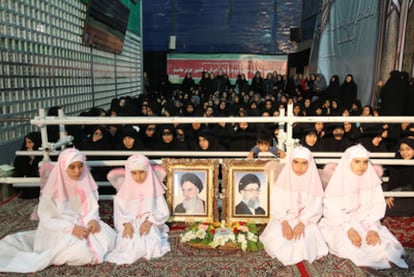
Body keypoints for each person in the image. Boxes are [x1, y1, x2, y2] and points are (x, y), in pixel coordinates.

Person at [0, 148, 116, 273]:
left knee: (108, 239)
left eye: (80, 166)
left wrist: (93, 220)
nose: (77, 171)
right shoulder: (52, 191)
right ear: (63, 167)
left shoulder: (85, 181)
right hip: (60, 228)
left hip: (85, 224)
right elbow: (47, 219)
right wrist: (71, 228)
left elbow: (91, 207)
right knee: (81, 253)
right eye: (72, 167)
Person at [318, 144, 408, 269]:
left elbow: (376, 206)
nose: (362, 166)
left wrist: (373, 229)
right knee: (351, 247)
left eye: (365, 162)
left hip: (365, 221)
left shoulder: (371, 180)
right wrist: (349, 230)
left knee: (382, 245)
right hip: (341, 222)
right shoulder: (338, 181)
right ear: (349, 162)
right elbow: (331, 210)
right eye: (357, 162)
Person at [260, 146, 328, 265]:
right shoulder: (284, 180)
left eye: (304, 163)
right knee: (280, 241)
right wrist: (284, 222)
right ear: (290, 162)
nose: (299, 167)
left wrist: (302, 223)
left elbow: (315, 207)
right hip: (284, 219)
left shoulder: (313, 182)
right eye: (296, 162)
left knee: (302, 243)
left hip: (306, 221)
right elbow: (276, 203)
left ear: (309, 164)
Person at [105, 154, 170, 264]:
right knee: (127, 242)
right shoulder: (123, 193)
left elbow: (163, 212)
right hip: (129, 223)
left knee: (151, 243)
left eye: (141, 172)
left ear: (147, 172)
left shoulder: (154, 190)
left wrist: (149, 222)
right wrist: (126, 224)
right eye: (134, 173)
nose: (138, 176)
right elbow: (119, 213)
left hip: (149, 222)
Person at [384, 138, 414, 216]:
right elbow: (392, 185)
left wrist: (393, 195)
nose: (404, 152)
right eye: (402, 150)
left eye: (408, 149)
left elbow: (410, 187)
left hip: (410, 198)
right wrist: (388, 196)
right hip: (399, 197)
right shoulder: (397, 163)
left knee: (383, 209)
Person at [12, 131, 43, 198]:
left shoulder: (43, 155)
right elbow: (18, 166)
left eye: (30, 142)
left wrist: (34, 159)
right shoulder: (24, 152)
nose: (27, 145)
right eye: (26, 142)